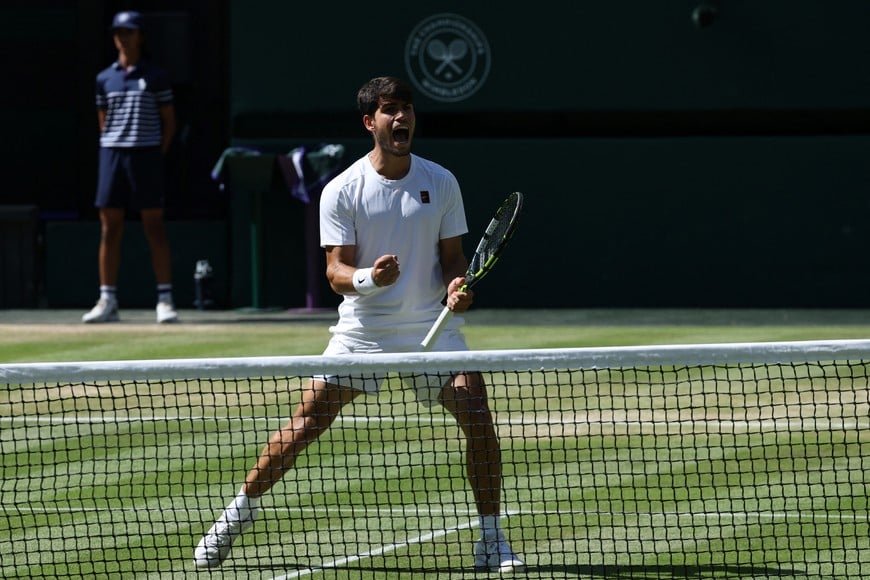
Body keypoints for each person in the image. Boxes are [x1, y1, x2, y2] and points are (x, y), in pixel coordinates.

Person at [193, 76, 525, 573]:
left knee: (477, 413)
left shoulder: (441, 182)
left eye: (407, 108)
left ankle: (491, 540)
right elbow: (335, 272)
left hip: (430, 329)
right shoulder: (342, 189)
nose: (402, 117)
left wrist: (457, 286)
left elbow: (454, 258)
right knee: (306, 423)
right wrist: (371, 277)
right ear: (371, 122)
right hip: (364, 332)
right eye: (390, 109)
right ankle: (234, 517)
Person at [83, 10, 178, 324]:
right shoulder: (104, 79)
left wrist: (153, 153)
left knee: (154, 226)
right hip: (112, 156)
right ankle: (107, 299)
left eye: (128, 32)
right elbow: (103, 122)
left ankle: (165, 299)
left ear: (140, 37)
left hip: (146, 156)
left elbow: (169, 123)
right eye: (118, 32)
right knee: (110, 227)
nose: (122, 38)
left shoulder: (156, 76)